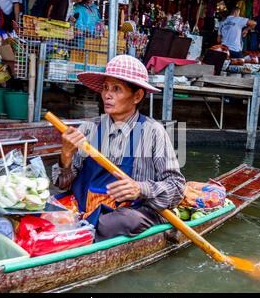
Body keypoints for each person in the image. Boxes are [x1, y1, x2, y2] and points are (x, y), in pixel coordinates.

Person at [52, 55, 186, 241]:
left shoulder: (153, 132)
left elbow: (177, 188)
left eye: (117, 89)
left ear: (137, 96)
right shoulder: (90, 128)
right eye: (105, 88)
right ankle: (81, 227)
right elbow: (61, 183)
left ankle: (81, 232)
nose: (107, 95)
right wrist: (65, 155)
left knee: (116, 222)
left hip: (131, 211)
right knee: (46, 208)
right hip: (84, 208)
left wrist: (140, 189)